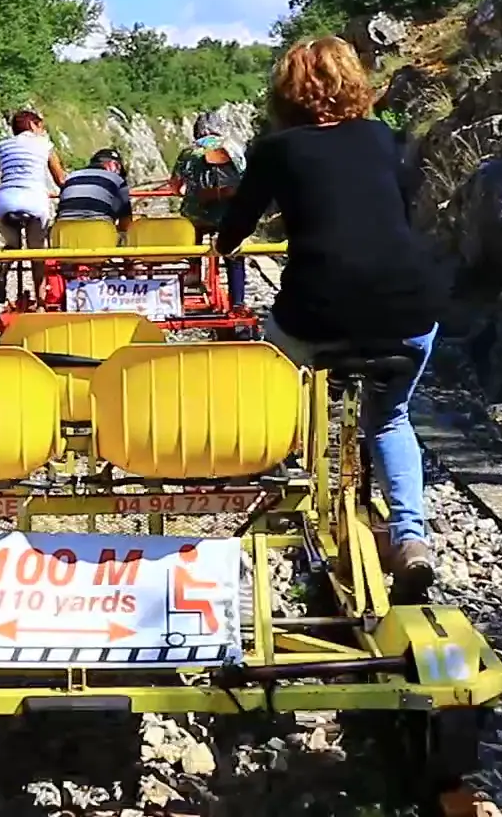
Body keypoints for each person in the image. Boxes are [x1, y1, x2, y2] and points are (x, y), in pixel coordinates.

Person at [213, 35, 449, 599]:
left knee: (271, 349)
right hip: (409, 308)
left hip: (318, 311)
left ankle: (289, 457)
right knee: (389, 419)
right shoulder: (382, 138)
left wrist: (221, 246)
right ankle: (411, 537)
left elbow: (238, 224)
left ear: (286, 94)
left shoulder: (276, 150)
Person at [0, 109, 67, 303]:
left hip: (5, 202)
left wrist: (2, 193)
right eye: (40, 126)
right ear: (32, 125)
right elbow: (61, 179)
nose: (42, 131)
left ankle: (2, 275)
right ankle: (41, 301)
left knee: (13, 245)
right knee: (36, 252)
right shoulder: (44, 145)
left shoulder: (3, 145)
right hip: (35, 200)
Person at [170, 113, 249, 307]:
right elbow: (247, 179)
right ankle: (237, 299)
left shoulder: (190, 151)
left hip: (197, 214)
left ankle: (194, 270)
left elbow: (175, 184)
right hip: (228, 215)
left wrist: (187, 193)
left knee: (192, 231)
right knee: (235, 253)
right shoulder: (234, 148)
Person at [54, 147, 133, 234]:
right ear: (116, 165)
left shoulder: (71, 177)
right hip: (98, 236)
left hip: (65, 235)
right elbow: (126, 225)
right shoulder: (117, 180)